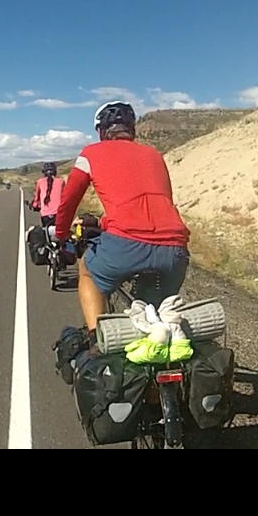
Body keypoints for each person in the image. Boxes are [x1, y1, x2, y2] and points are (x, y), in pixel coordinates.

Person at [54, 101, 190, 351]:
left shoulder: (90, 154)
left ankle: (97, 340)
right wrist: (102, 222)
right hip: (175, 250)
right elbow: (155, 207)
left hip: (125, 246)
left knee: (87, 271)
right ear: (132, 129)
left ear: (100, 131)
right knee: (152, 311)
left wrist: (61, 235)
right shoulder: (154, 155)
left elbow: (68, 202)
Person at [30, 161, 65, 230]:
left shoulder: (40, 182)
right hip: (59, 214)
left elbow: (37, 199)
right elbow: (65, 197)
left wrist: (34, 205)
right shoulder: (61, 181)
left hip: (45, 216)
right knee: (61, 232)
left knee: (45, 232)